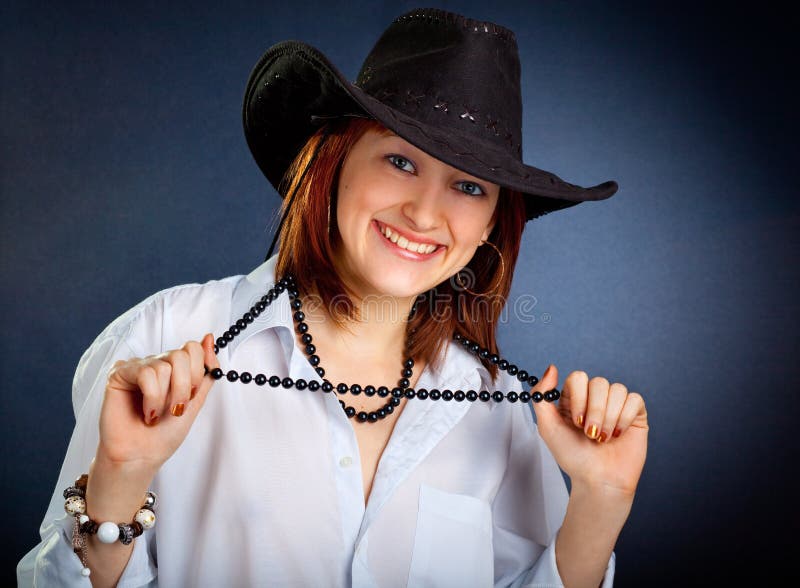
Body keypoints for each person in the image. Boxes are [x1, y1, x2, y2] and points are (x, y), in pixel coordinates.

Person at [17, 7, 648, 588]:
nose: (425, 214)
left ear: (491, 227)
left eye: (468, 186)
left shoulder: (505, 408)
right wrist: (120, 478)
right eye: (400, 162)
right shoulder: (163, 339)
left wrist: (601, 500)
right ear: (333, 162)